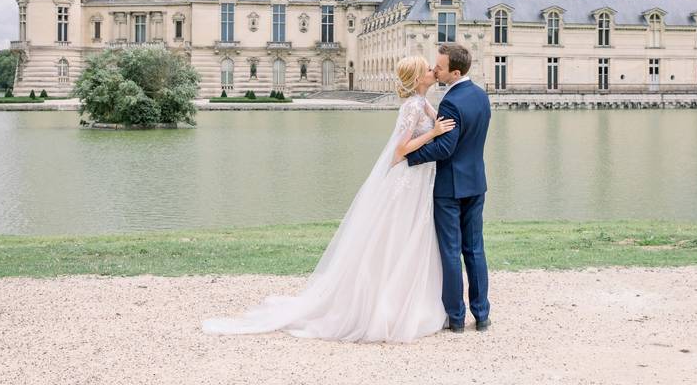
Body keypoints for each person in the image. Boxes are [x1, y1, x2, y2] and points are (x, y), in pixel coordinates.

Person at [203, 55, 454, 342]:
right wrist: (433, 133)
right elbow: (399, 151)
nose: (433, 72)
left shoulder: (422, 102)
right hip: (407, 181)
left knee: (411, 238)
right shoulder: (411, 106)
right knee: (398, 239)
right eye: (427, 69)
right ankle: (387, 305)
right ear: (417, 77)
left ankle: (406, 300)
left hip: (419, 180)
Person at [405, 42, 491, 333]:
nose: (435, 70)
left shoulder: (451, 102)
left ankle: (455, 317)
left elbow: (445, 147)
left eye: (439, 67)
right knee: (475, 250)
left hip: (450, 187)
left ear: (455, 72)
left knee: (451, 251)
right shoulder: (481, 96)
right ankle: (481, 315)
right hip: (476, 182)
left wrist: (410, 156)